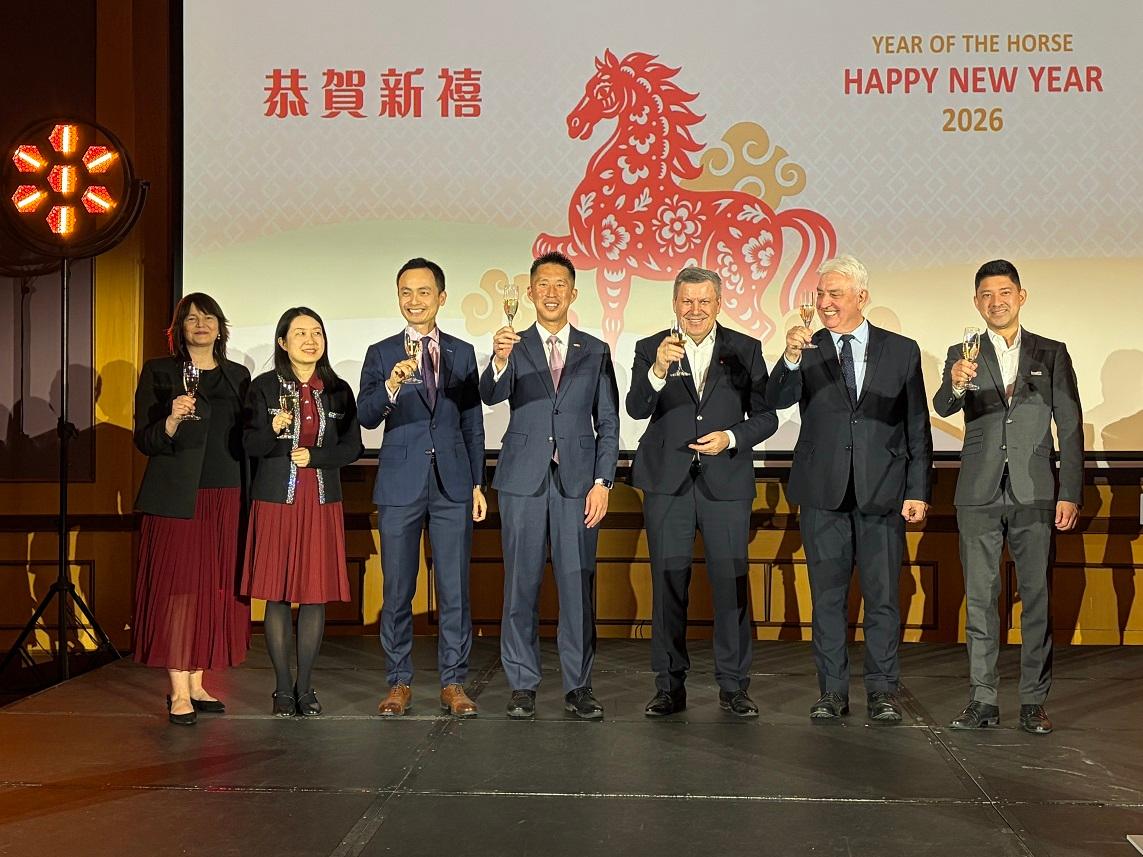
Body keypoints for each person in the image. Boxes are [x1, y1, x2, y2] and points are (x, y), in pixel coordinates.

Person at [767, 255, 933, 722]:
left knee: (883, 599)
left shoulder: (901, 350)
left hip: (883, 491)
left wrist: (918, 490)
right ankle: (832, 693)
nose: (824, 302)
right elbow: (775, 399)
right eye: (820, 294)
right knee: (827, 599)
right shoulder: (808, 346)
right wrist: (790, 357)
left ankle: (882, 692)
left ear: (862, 297)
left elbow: (916, 425)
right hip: (823, 492)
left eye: (834, 294)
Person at [933, 259, 1082, 735]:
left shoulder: (1051, 352)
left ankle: (1034, 701)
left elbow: (1070, 426)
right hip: (978, 491)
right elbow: (943, 406)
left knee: (1036, 597)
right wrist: (956, 382)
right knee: (980, 599)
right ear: (976, 302)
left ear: (1021, 296)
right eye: (986, 295)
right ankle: (982, 699)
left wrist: (1070, 492)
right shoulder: (963, 352)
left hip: (1034, 490)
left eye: (1004, 293)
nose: (995, 302)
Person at [627, 267, 777, 717]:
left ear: (719, 303)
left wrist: (730, 437)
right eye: (687, 301)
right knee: (668, 585)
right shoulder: (650, 347)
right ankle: (669, 686)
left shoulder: (745, 349)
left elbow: (766, 416)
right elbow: (635, 407)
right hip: (666, 484)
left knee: (730, 585)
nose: (695, 310)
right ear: (675, 303)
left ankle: (733, 686)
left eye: (704, 302)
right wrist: (657, 369)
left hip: (725, 482)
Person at [479, 251, 620, 720]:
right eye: (543, 284)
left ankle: (579, 685)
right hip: (522, 479)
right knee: (520, 583)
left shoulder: (595, 349)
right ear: (530, 292)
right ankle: (522, 684)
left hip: (578, 484)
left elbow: (609, 422)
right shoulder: (512, 344)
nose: (552, 292)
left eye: (561, 285)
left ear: (573, 293)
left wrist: (603, 481)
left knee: (577, 585)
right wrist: (498, 360)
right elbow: (490, 393)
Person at [358, 258, 487, 718]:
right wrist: (391, 385)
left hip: (453, 484)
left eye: (424, 292)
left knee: (454, 588)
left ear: (442, 298)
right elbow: (366, 415)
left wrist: (477, 483)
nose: (414, 301)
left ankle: (454, 682)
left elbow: (472, 424)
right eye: (406, 292)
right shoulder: (380, 353)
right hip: (400, 484)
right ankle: (398, 681)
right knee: (397, 588)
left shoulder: (462, 352)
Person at [133, 293, 251, 726]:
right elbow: (144, 439)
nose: (201, 324)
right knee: (179, 589)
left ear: (220, 327)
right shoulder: (160, 372)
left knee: (214, 589)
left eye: (209, 317)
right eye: (191, 318)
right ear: (179, 329)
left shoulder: (238, 376)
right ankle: (178, 690)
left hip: (227, 494)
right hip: (176, 497)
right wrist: (169, 420)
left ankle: (198, 683)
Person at [242, 307, 363, 717]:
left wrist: (316, 457)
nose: (310, 341)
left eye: (317, 333)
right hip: (275, 501)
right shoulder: (263, 387)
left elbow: (353, 447)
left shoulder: (338, 389)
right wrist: (272, 429)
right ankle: (281, 688)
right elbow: (248, 445)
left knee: (314, 596)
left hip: (322, 501)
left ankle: (305, 686)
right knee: (277, 595)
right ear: (282, 342)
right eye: (300, 333)